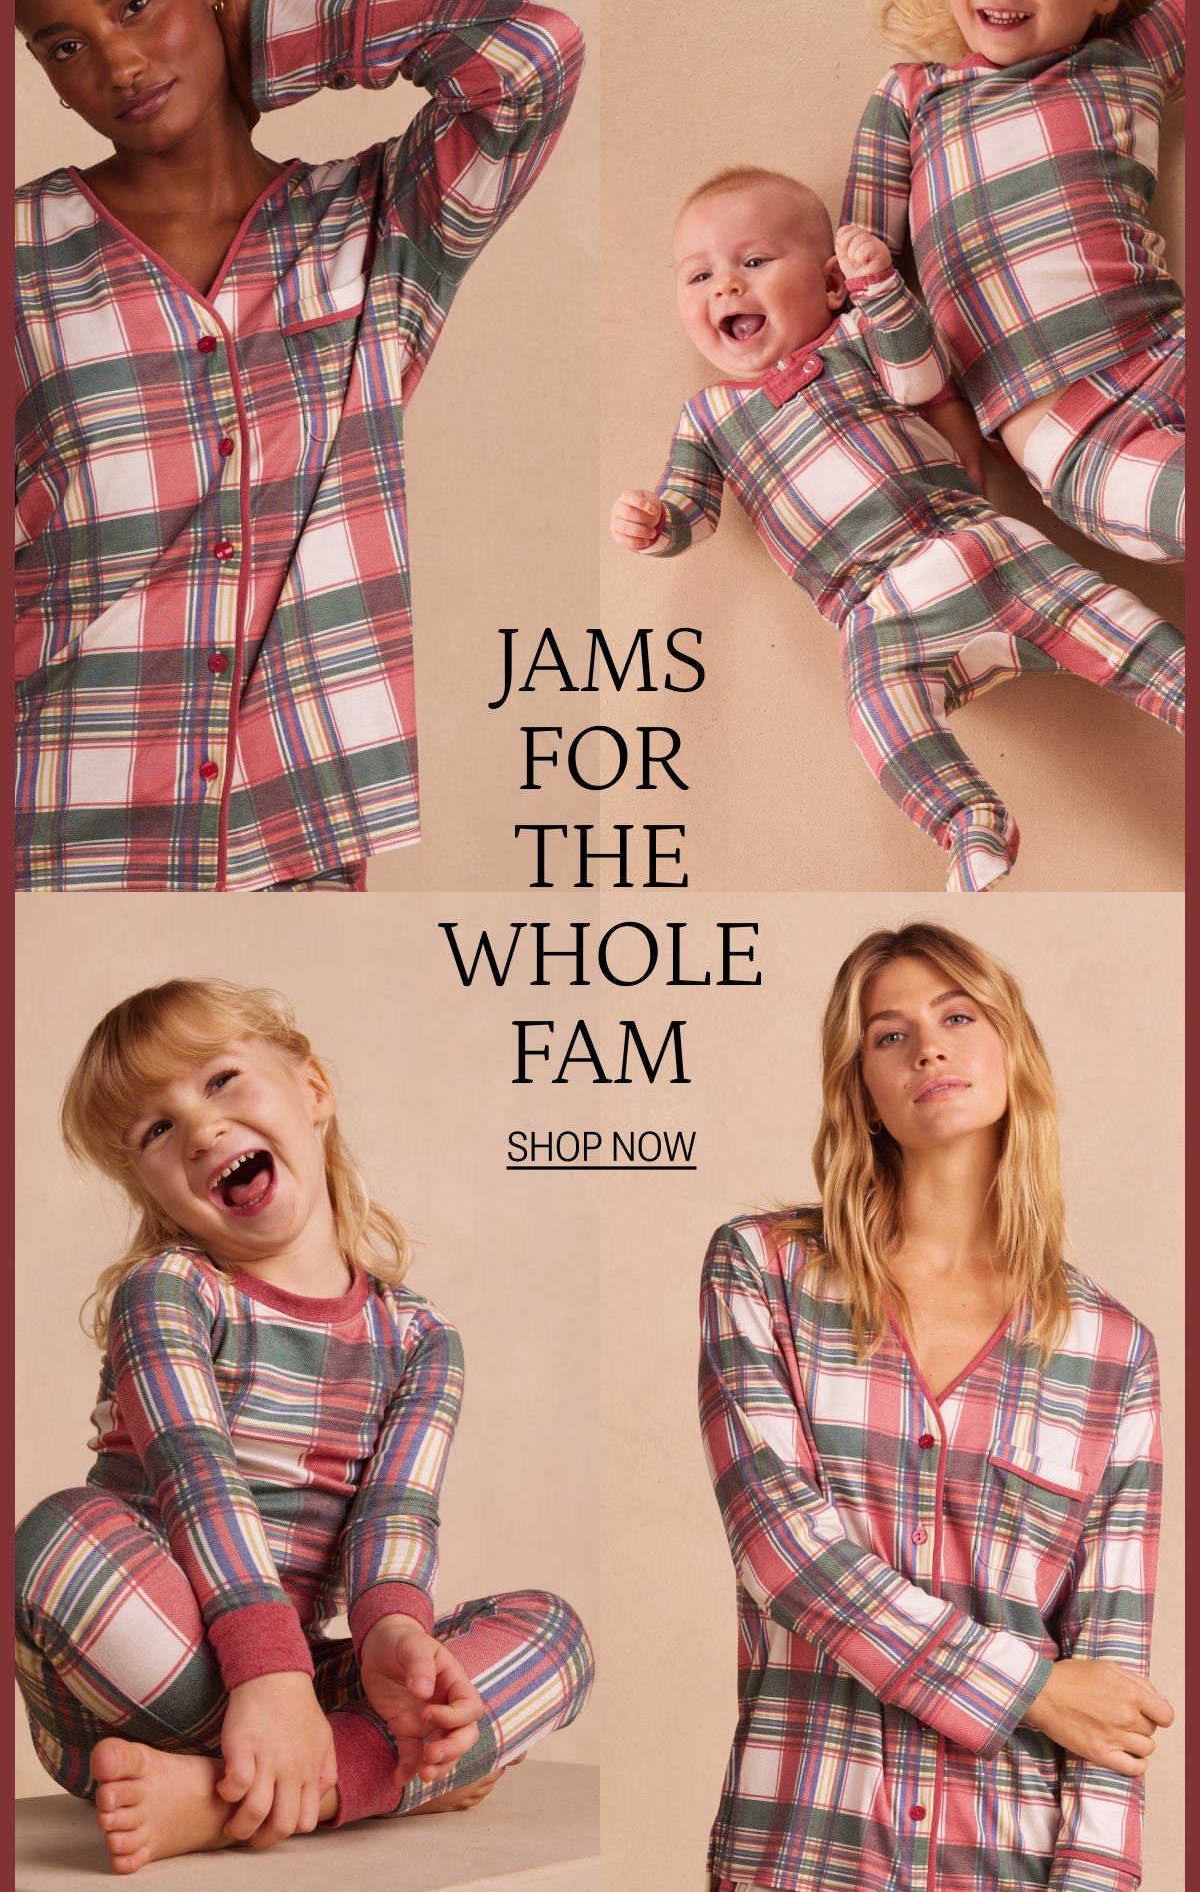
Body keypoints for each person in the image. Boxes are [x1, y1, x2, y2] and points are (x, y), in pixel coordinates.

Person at [14, 0, 584, 890]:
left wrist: (265, 30)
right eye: (63, 47)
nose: (117, 63)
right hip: (65, 813)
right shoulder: (20, 257)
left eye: (136, 2)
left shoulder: (379, 225)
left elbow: (531, 56)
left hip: (297, 823)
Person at [14, 979, 593, 1873]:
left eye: (220, 1081)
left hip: (296, 1691)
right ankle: (373, 1773)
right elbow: (197, 1482)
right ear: (157, 1193)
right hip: (141, 1673)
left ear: (312, 1092)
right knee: (57, 1539)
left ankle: (235, 1797)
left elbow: (395, 1517)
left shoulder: (421, 1340)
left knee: (556, 1634)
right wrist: (269, 1675)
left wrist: (394, 1639)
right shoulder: (167, 1293)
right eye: (155, 1131)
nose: (200, 1128)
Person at [699, 920, 1172, 1892]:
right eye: (889, 1032)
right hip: (801, 1851)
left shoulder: (1114, 1352)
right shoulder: (765, 1270)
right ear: (863, 1086)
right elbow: (782, 1549)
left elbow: (1113, 1683)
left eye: (958, 1014)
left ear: (1011, 1048)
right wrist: (1033, 1686)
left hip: (1013, 1861)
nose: (929, 1045)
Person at [611, 168, 1183, 891]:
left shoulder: (852, 339)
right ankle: (970, 821)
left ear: (827, 285)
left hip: (974, 538)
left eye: (753, 262)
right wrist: (659, 523)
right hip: (874, 611)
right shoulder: (708, 417)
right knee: (877, 717)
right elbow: (695, 509)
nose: (724, 286)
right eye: (698, 276)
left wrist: (880, 289)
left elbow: (919, 376)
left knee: (1116, 622)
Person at [841, 0, 1183, 562]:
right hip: (1078, 434)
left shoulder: (1126, 59)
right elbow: (859, 272)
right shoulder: (914, 93)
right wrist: (938, 416)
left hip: (1170, 345)